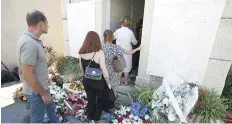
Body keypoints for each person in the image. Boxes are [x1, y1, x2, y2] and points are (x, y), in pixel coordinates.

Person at [16, 10, 59, 123]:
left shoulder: (31, 40)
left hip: (41, 88)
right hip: (37, 92)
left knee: (51, 111)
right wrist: (43, 94)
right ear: (41, 24)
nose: (48, 26)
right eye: (47, 23)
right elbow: (27, 75)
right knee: (37, 120)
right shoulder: (29, 43)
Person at [78, 31, 111, 122]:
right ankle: (96, 118)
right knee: (100, 99)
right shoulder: (99, 52)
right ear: (97, 40)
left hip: (87, 81)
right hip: (98, 81)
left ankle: (89, 116)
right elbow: (103, 69)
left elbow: (81, 68)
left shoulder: (81, 51)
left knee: (90, 99)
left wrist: (86, 75)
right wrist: (108, 82)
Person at [102, 30, 141, 96]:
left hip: (103, 72)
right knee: (113, 89)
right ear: (112, 37)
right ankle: (112, 101)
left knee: (103, 88)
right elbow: (129, 52)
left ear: (104, 37)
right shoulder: (116, 47)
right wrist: (138, 48)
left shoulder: (101, 48)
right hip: (114, 72)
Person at [113, 16, 138, 84]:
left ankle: (118, 81)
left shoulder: (117, 31)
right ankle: (126, 81)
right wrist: (137, 42)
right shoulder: (130, 32)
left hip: (119, 51)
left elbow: (112, 38)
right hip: (128, 52)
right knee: (127, 66)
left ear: (121, 22)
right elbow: (134, 42)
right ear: (129, 23)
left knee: (119, 66)